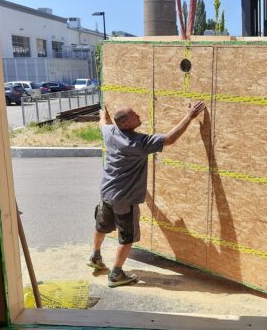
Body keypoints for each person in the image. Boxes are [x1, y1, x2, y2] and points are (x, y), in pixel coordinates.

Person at [88, 101, 206, 288]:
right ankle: (116, 274)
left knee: (101, 225)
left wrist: (105, 113)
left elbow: (102, 122)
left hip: (106, 192)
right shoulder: (138, 143)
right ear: (126, 124)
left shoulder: (109, 133)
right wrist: (189, 116)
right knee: (127, 237)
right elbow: (169, 139)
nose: (139, 115)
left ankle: (95, 255)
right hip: (124, 199)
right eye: (134, 115)